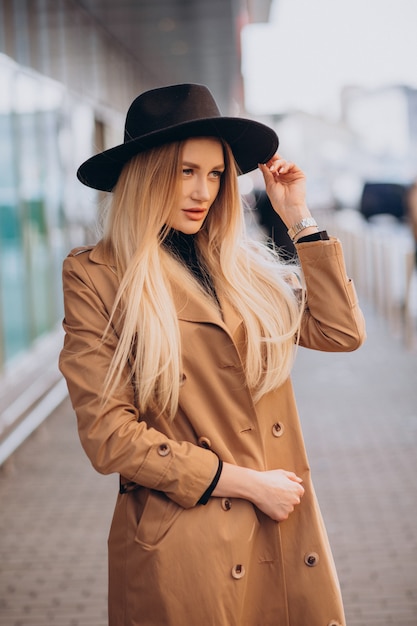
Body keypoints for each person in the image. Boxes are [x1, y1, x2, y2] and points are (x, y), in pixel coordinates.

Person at [59, 83, 366, 626]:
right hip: (188, 546)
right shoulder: (97, 275)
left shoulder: (241, 269)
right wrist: (248, 483)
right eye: (184, 171)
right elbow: (109, 436)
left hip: (283, 527)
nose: (203, 191)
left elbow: (341, 332)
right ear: (147, 173)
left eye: (216, 173)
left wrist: (299, 218)